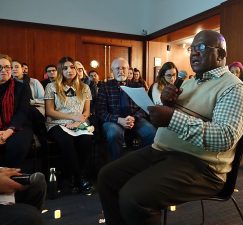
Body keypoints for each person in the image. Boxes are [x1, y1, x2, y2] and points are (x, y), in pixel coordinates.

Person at [97, 30, 243, 225]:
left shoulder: (233, 89)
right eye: (192, 48)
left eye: (201, 48)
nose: (194, 53)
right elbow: (172, 119)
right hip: (163, 151)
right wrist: (166, 105)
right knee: (107, 177)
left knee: (134, 198)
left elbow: (223, 137)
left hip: (201, 165)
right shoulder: (188, 83)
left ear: (221, 54)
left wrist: (171, 117)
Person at [44, 56, 93, 194]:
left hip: (78, 122)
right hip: (56, 122)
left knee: (86, 140)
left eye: (72, 67)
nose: (69, 70)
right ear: (60, 70)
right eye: (65, 68)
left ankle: (72, 176)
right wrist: (71, 117)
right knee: (66, 140)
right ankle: (79, 178)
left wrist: (78, 122)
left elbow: (87, 111)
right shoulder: (51, 86)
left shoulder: (85, 87)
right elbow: (50, 111)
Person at [95, 57, 156, 160]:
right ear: (112, 71)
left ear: (128, 70)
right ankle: (115, 165)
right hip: (113, 120)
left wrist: (134, 118)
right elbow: (100, 111)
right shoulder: (105, 87)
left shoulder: (137, 86)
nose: (121, 71)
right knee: (114, 134)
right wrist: (119, 120)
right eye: (117, 68)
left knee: (151, 132)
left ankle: (142, 160)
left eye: (123, 68)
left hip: (134, 119)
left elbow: (144, 107)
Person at [0, 54, 33, 169]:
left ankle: (9, 178)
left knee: (17, 145)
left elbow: (23, 112)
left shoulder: (22, 87)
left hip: (19, 125)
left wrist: (8, 131)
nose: (3, 70)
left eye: (7, 67)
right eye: (0, 67)